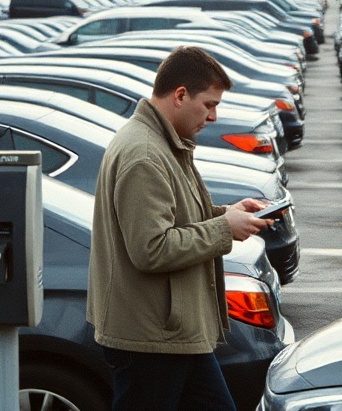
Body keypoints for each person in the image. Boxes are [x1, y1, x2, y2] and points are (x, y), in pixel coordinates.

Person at [87, 45, 273, 411]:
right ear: (180, 95)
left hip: (171, 332)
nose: (214, 116)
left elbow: (174, 217)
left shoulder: (161, 142)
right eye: (209, 105)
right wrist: (223, 228)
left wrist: (227, 213)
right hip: (151, 338)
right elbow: (152, 248)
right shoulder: (144, 154)